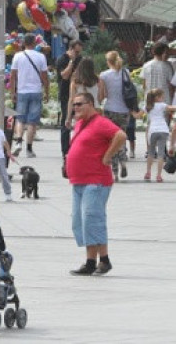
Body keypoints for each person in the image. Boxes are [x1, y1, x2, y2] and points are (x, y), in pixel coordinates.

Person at [65, 92, 125, 276]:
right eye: (74, 105)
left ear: (90, 104)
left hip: (96, 180)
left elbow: (120, 135)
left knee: (93, 218)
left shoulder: (100, 122)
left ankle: (104, 260)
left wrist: (108, 156)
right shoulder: (81, 122)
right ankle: (90, 261)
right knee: (80, 221)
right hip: (79, 181)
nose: (75, 108)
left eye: (79, 104)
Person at [10, 34, 50, 158]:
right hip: (36, 91)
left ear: (24, 43)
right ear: (34, 43)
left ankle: (17, 143)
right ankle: (29, 149)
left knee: (20, 119)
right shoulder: (41, 57)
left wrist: (12, 91)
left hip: (22, 91)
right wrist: (47, 91)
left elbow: (12, 75)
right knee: (32, 122)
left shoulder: (17, 56)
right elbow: (44, 76)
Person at [98, 51, 133, 180]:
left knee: (111, 140)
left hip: (110, 110)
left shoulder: (104, 75)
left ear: (108, 61)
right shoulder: (126, 72)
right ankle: (123, 161)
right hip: (124, 110)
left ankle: (115, 172)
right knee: (122, 137)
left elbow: (102, 95)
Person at [57, 41, 84, 163]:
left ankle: (78, 149)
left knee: (81, 124)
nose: (78, 54)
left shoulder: (81, 59)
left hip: (79, 95)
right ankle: (65, 151)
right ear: (71, 49)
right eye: (76, 52)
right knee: (66, 123)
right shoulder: (62, 59)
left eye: (80, 52)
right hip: (65, 94)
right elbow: (65, 76)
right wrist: (72, 61)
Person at [143, 89, 174, 182]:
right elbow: (172, 108)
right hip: (163, 130)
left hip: (152, 131)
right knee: (161, 154)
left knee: (151, 152)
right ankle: (159, 175)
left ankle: (148, 172)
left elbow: (137, 115)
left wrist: (132, 111)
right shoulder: (162, 105)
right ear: (157, 97)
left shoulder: (147, 107)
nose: (163, 98)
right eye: (162, 96)